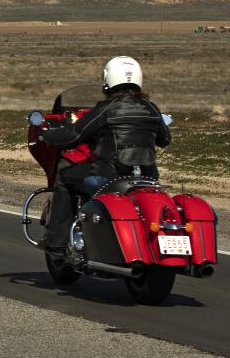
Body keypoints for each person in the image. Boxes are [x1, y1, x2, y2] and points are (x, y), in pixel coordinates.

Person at [40, 56, 171, 253]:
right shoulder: (151, 108)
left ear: (108, 79)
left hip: (109, 177)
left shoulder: (107, 109)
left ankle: (56, 243)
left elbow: (75, 134)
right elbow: (165, 140)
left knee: (65, 178)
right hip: (147, 178)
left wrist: (47, 135)